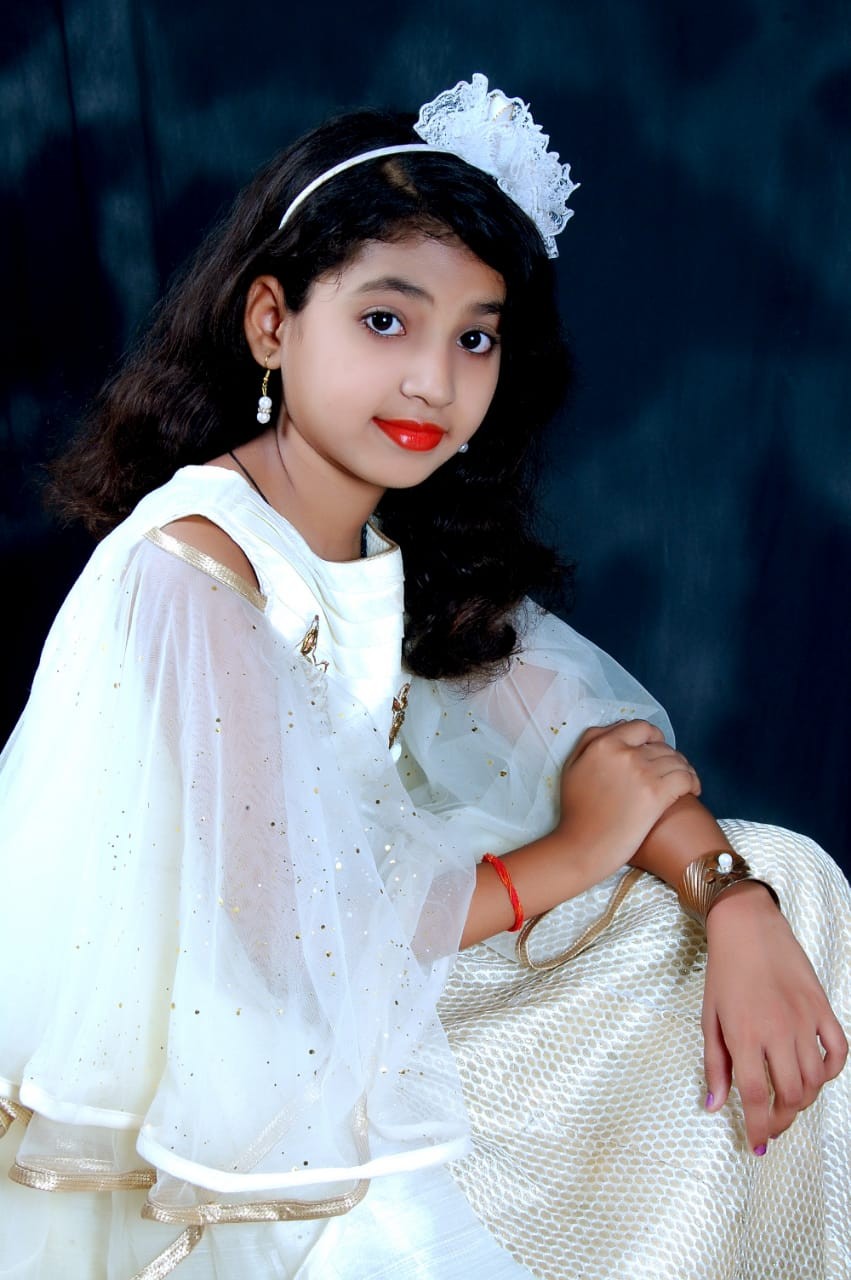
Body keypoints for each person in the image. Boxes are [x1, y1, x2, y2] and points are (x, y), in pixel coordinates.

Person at [0, 73, 848, 1280]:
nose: (432, 383)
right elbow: (285, 942)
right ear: (270, 323)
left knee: (791, 878)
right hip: (226, 1055)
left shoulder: (385, 539)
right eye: (386, 322)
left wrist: (732, 896)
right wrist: (579, 849)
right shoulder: (196, 566)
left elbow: (597, 740)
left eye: (474, 337)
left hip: (355, 989)